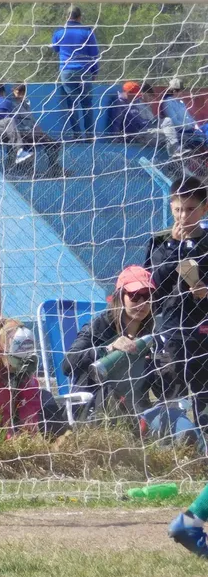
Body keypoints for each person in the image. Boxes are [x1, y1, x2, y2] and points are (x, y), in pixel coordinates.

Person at [62, 266, 199, 445]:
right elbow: (67, 364)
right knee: (118, 396)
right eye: (135, 295)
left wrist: (165, 369)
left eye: (148, 295)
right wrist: (107, 348)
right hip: (95, 406)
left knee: (184, 428)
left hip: (139, 409)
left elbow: (164, 392)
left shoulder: (152, 336)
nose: (142, 302)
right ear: (120, 296)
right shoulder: (98, 327)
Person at [146, 176, 208, 431]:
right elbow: (150, 286)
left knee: (203, 393)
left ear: (205, 208)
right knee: (170, 391)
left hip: (203, 327)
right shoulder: (159, 242)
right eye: (178, 209)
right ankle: (171, 442)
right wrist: (174, 247)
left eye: (191, 209)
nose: (183, 216)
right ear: (170, 207)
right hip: (171, 329)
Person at [51, 6, 99, 139]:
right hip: (84, 71)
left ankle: (76, 135)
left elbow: (55, 48)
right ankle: (89, 136)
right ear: (80, 17)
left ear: (67, 16)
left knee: (72, 103)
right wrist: (95, 71)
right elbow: (94, 53)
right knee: (87, 103)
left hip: (67, 70)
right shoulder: (87, 31)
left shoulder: (60, 31)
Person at [10, 84, 63, 172]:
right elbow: (14, 122)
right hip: (21, 133)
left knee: (55, 144)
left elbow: (31, 119)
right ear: (14, 91)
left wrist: (36, 127)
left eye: (23, 92)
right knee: (32, 144)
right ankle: (24, 167)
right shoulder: (12, 104)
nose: (21, 94)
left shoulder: (25, 103)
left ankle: (53, 167)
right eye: (19, 91)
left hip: (32, 132)